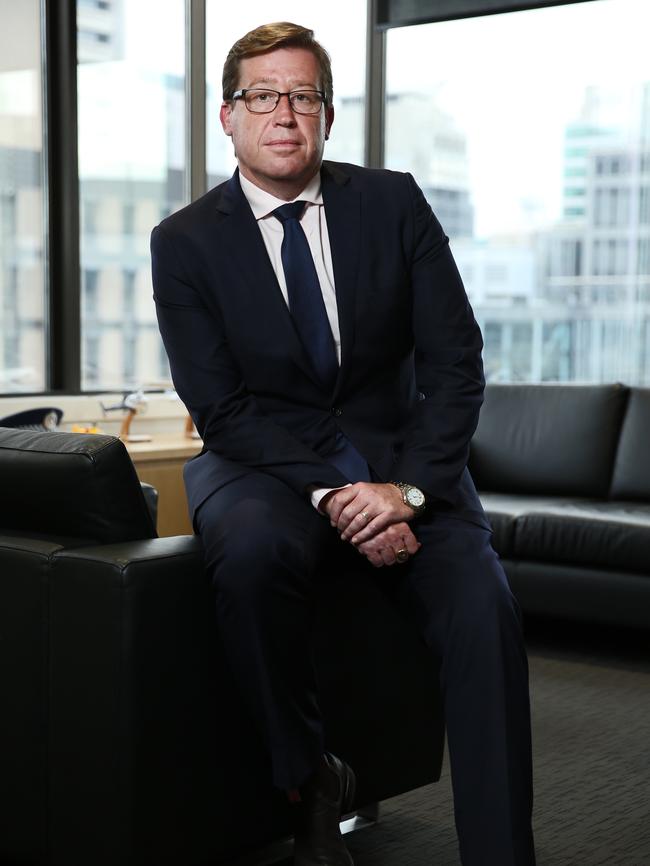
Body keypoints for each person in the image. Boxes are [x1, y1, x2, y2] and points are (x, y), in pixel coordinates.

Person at [151, 21, 536, 866]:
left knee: (485, 607)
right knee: (249, 557)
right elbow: (223, 407)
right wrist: (339, 493)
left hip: (408, 461)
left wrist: (406, 492)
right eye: (262, 95)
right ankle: (305, 777)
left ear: (326, 113)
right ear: (228, 115)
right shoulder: (183, 242)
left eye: (303, 95)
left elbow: (456, 364)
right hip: (262, 462)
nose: (283, 112)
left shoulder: (392, 201)